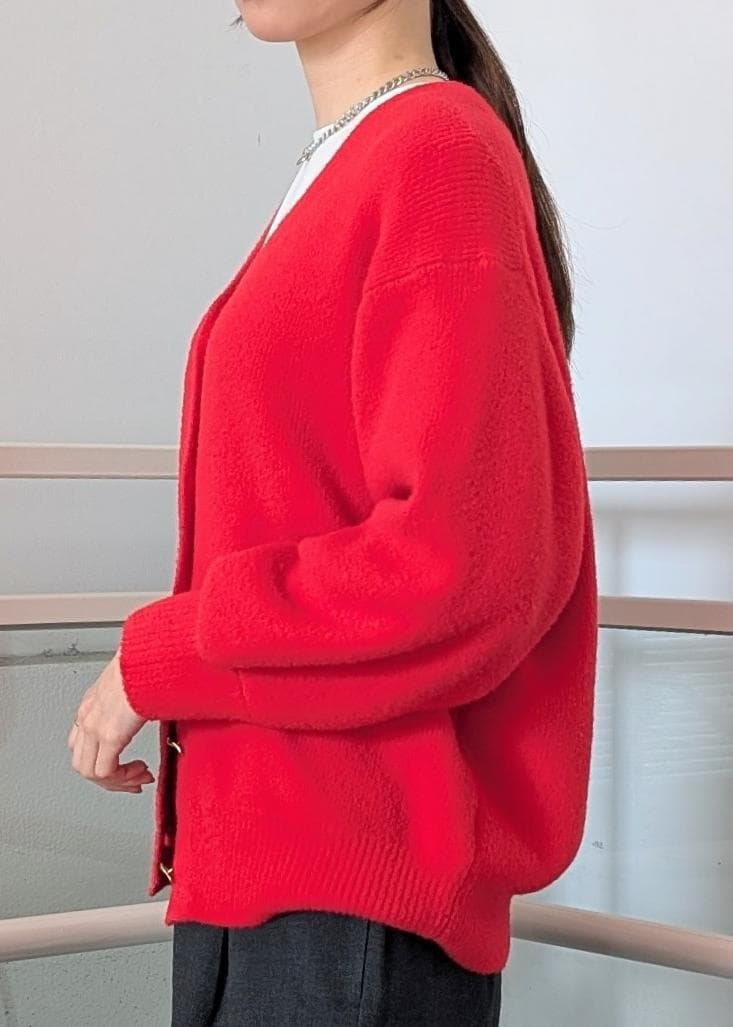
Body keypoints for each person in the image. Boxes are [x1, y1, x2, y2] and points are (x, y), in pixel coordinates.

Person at [68, 1, 598, 1024]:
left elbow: (459, 565)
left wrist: (162, 655)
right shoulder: (362, 156)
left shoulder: (436, 152)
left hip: (350, 896)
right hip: (273, 882)